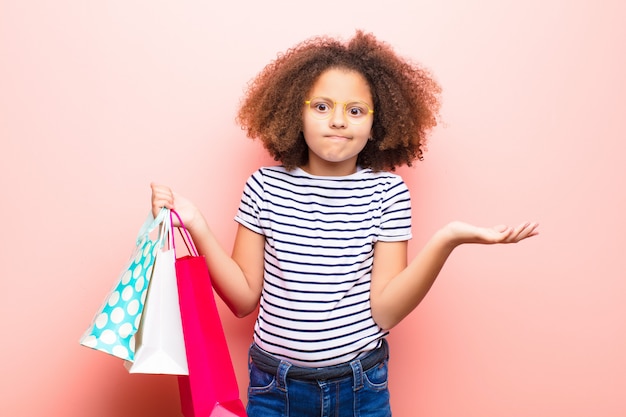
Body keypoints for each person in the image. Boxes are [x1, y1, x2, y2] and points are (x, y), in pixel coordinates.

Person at [151, 31, 538, 417]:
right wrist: (195, 223)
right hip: (275, 388)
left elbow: (385, 311)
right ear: (294, 112)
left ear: (376, 122)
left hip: (359, 387)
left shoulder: (388, 193)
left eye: (355, 111)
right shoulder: (264, 186)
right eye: (321, 106)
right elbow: (243, 299)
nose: (338, 121)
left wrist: (447, 239)